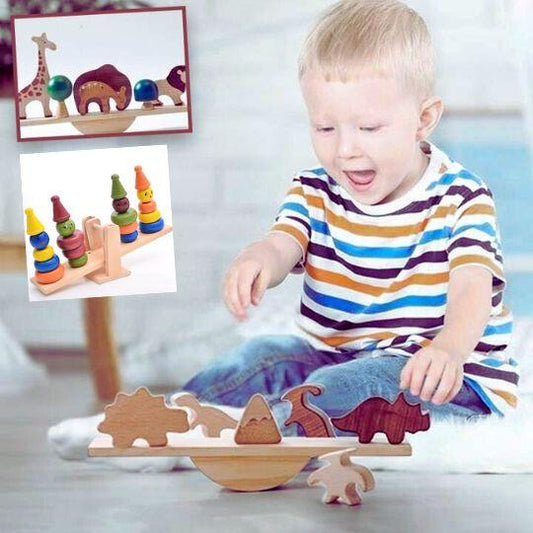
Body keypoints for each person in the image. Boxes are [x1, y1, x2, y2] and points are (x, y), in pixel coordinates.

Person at [49, 0, 518, 469]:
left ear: (424, 119)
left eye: (369, 128)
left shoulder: (462, 196)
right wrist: (258, 260)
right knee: (260, 357)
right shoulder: (314, 190)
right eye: (325, 128)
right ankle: (162, 419)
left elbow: (472, 286)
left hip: (437, 375)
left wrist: (449, 348)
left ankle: (252, 433)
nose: (346, 149)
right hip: (330, 356)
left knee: (343, 389)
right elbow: (283, 243)